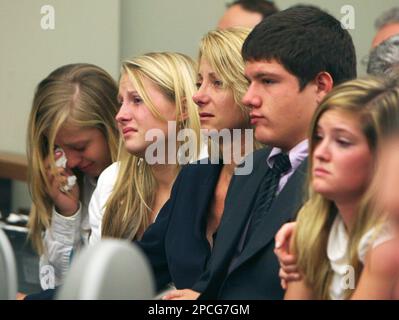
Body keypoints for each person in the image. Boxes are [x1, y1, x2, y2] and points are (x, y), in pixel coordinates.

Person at [165, 5, 357, 300]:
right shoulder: (251, 169)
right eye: (249, 80)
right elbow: (219, 282)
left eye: (267, 81)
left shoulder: (350, 178)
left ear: (321, 86)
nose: (249, 97)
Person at [132, 28, 262, 295]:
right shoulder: (194, 178)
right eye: (199, 82)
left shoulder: (277, 182)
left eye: (217, 83)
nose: (198, 96)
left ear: (250, 92)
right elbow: (139, 267)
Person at [88, 52, 203, 245]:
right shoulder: (112, 182)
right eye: (121, 102)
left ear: (183, 109)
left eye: (137, 100)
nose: (120, 115)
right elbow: (97, 270)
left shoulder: (210, 183)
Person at [26, 63, 120, 290]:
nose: (71, 161)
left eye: (79, 147)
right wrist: (67, 213)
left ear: (113, 126)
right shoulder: (77, 182)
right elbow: (57, 286)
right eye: (57, 148)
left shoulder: (142, 183)